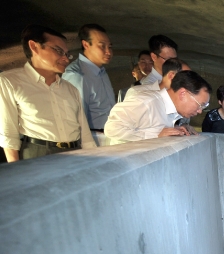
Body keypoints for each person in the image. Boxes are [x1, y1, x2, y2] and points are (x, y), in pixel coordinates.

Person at [0, 24, 95, 162]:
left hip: (75, 152)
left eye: (67, 54)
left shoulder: (70, 89)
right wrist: (16, 172)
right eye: (58, 50)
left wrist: (92, 160)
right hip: (38, 153)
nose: (66, 59)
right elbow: (9, 134)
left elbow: (85, 133)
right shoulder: (11, 82)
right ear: (34, 46)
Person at [105, 70, 210, 145]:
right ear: (183, 94)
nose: (200, 111)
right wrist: (155, 135)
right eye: (200, 104)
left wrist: (176, 130)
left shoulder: (173, 112)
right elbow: (112, 128)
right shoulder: (146, 102)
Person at [62, 23, 115, 132]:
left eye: (110, 46)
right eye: (102, 46)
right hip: (94, 139)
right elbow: (75, 121)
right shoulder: (77, 75)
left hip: (109, 137)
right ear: (86, 45)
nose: (108, 51)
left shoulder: (101, 72)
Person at [124, 57, 189, 101]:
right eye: (185, 77)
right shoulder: (137, 92)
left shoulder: (175, 98)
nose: (188, 82)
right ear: (171, 76)